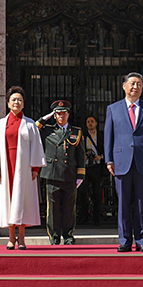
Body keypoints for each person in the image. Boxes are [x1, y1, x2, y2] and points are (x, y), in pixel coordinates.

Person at [105, 72, 143, 252]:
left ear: (142, 88)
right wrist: (109, 159)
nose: (135, 87)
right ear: (124, 86)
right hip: (121, 161)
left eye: (139, 84)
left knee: (141, 203)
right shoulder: (113, 109)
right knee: (123, 203)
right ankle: (124, 240)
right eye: (132, 83)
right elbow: (108, 136)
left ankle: (142, 240)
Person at [0, 86, 46, 250]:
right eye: (13, 99)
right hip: (7, 166)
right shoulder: (0, 124)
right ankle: (11, 237)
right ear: (8, 103)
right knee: (9, 201)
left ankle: (21, 238)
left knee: (22, 200)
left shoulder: (30, 124)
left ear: (23, 103)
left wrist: (35, 168)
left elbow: (36, 147)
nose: (16, 102)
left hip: (24, 168)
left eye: (20, 100)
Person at [36, 100, 85, 245]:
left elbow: (80, 156)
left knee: (69, 208)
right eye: (58, 114)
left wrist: (80, 175)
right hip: (52, 174)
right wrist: (44, 118)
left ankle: (68, 236)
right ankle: (54, 236)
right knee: (53, 209)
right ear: (54, 116)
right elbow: (32, 128)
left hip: (69, 174)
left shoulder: (76, 132)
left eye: (63, 114)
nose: (61, 116)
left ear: (68, 115)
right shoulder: (47, 130)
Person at [78, 114, 106, 225]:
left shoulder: (101, 136)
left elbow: (107, 148)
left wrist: (101, 157)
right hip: (85, 167)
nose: (90, 123)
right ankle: (84, 216)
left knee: (97, 193)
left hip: (97, 166)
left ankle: (97, 217)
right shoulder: (82, 135)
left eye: (92, 121)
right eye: (88, 122)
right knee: (83, 192)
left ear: (96, 123)